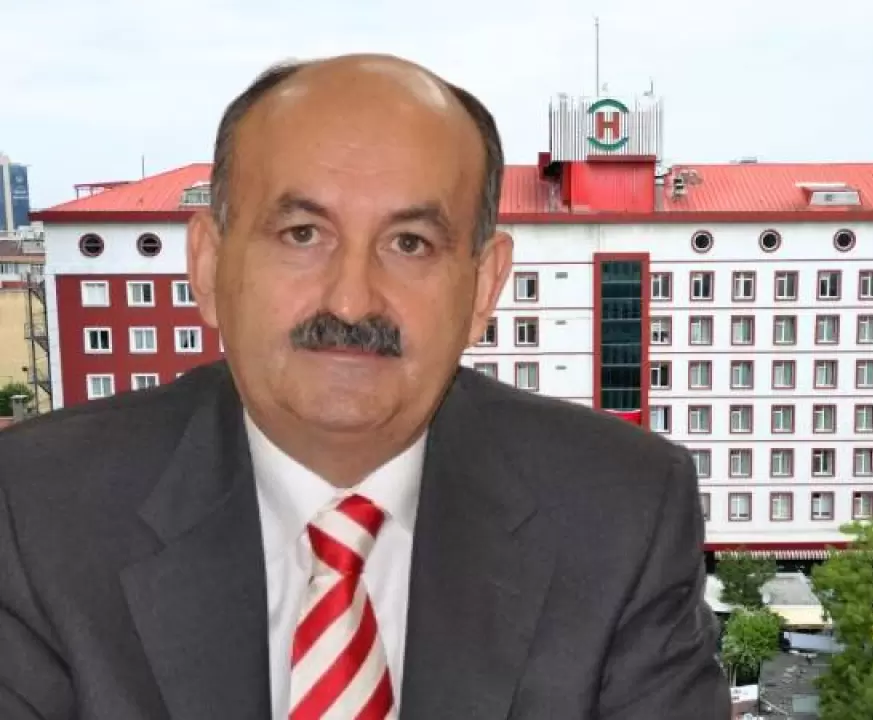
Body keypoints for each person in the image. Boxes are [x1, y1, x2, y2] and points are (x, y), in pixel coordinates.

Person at [0, 54, 729, 719]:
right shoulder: (37, 509)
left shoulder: (619, 510)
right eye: (302, 234)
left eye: (409, 244)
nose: (351, 302)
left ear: (483, 287)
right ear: (209, 266)